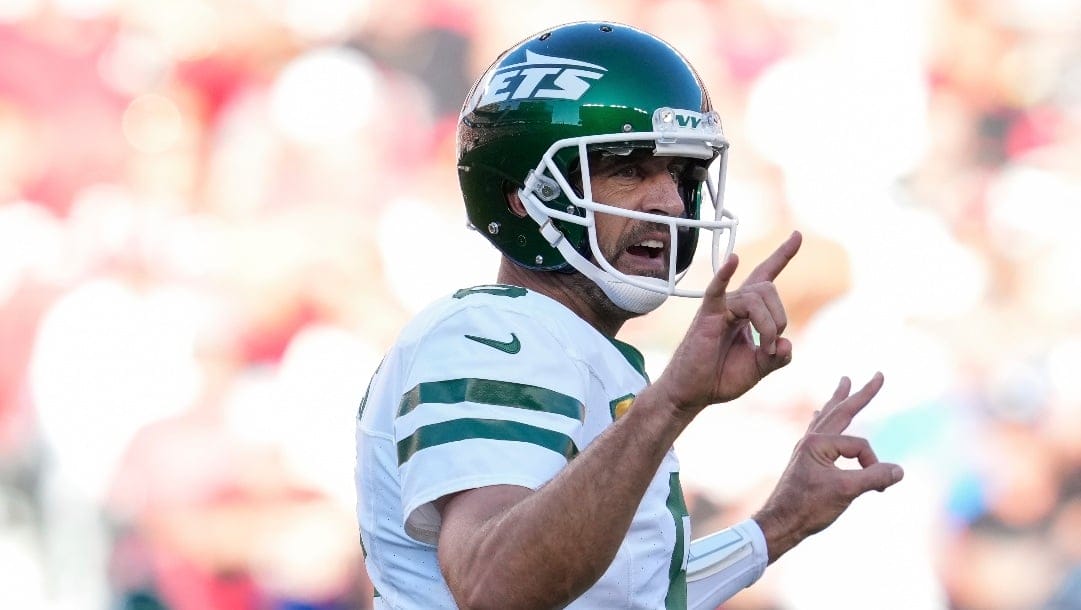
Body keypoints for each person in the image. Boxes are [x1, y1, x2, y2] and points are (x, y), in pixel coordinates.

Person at [354, 21, 904, 609]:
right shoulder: (494, 335)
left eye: (683, 174)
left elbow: (612, 596)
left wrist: (777, 525)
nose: (670, 200)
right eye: (627, 168)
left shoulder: (566, 342)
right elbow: (498, 590)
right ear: (522, 194)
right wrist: (668, 405)